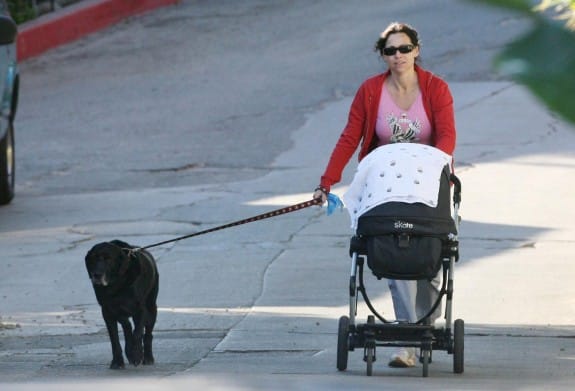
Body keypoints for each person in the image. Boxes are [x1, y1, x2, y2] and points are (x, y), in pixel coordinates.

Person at [313, 22, 456, 368]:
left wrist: (433, 165)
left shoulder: (435, 88)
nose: (398, 56)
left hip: (426, 180)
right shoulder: (371, 91)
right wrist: (327, 181)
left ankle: (425, 325)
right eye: (390, 50)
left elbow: (447, 135)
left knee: (433, 255)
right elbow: (351, 136)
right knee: (391, 249)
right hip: (385, 182)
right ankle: (408, 336)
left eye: (405, 49)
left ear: (416, 50)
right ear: (383, 55)